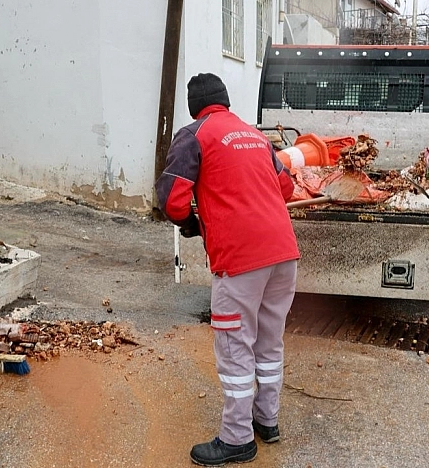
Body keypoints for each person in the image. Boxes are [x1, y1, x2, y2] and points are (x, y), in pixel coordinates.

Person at [155, 73, 300, 465]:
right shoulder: (253, 134)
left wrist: (190, 219)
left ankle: (237, 438)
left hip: (241, 258)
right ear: (226, 100)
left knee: (235, 347)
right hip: (284, 254)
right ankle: (266, 421)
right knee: (268, 342)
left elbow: (170, 200)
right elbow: (286, 189)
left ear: (193, 106)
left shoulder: (194, 135)